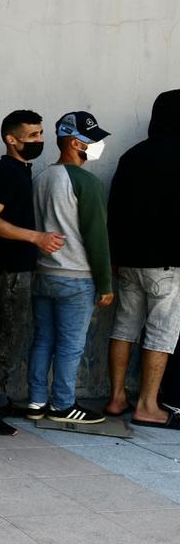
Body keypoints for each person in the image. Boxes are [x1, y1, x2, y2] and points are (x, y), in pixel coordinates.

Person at [0, 110, 61, 431]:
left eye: (41, 133)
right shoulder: (6, 172)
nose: (40, 140)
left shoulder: (21, 170)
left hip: (18, 267)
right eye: (33, 135)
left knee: (12, 334)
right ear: (12, 139)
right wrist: (36, 237)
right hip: (8, 269)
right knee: (6, 335)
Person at [26, 111, 114, 424]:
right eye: (93, 140)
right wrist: (105, 284)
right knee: (70, 346)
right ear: (76, 143)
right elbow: (97, 237)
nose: (98, 145)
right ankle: (63, 406)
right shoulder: (88, 182)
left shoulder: (41, 177)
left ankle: (36, 402)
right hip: (77, 278)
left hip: (43, 274)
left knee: (42, 340)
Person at [104, 90, 180, 429]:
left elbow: (114, 211)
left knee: (124, 328)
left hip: (128, 261)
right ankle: (148, 405)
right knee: (162, 333)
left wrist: (114, 257)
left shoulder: (130, 156)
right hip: (168, 262)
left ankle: (117, 397)